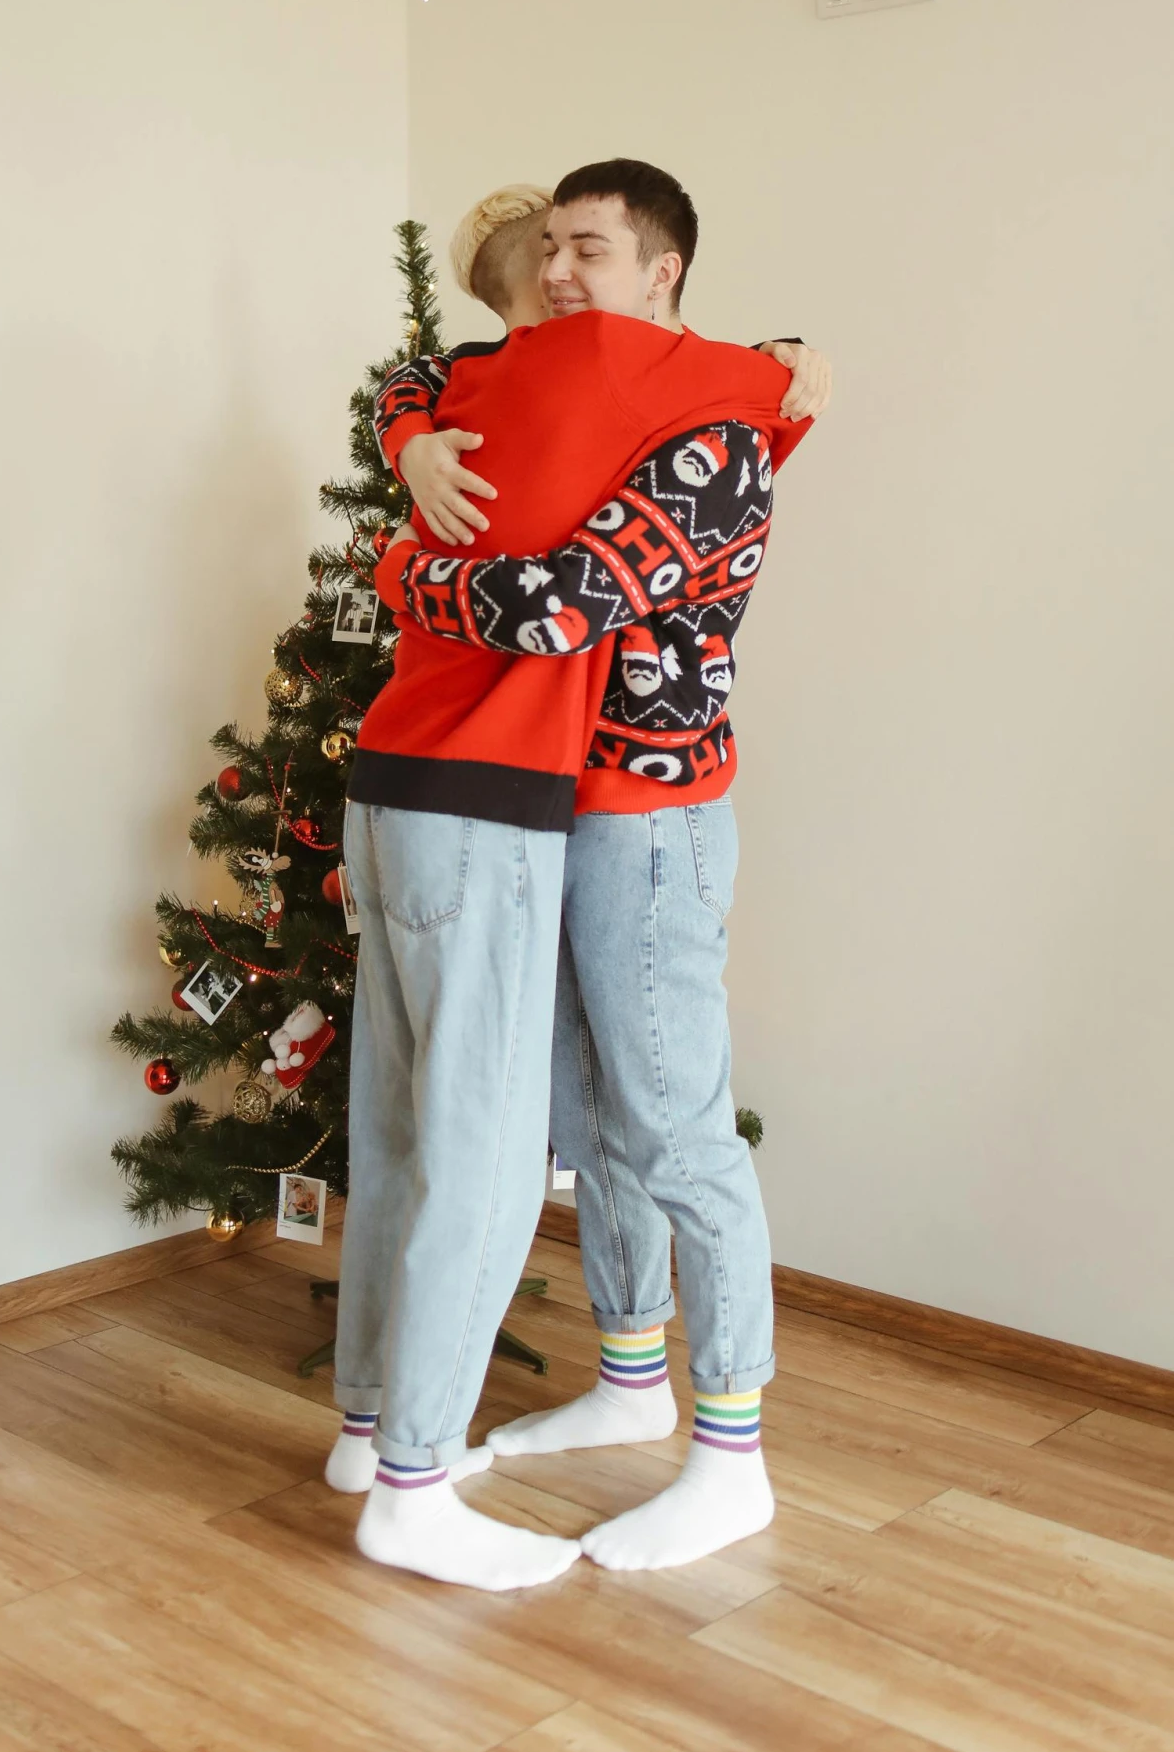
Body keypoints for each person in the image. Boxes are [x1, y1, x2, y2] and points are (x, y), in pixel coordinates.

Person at [329, 168, 817, 1591]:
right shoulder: (592, 389)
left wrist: (400, 564)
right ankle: (627, 1376)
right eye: (543, 246)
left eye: (584, 247)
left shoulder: (711, 426)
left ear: (661, 267)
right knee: (582, 1117)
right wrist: (415, 437)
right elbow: (434, 371)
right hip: (538, 812)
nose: (552, 268)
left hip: (650, 819)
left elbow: (552, 604)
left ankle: (731, 1455)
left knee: (674, 1127)